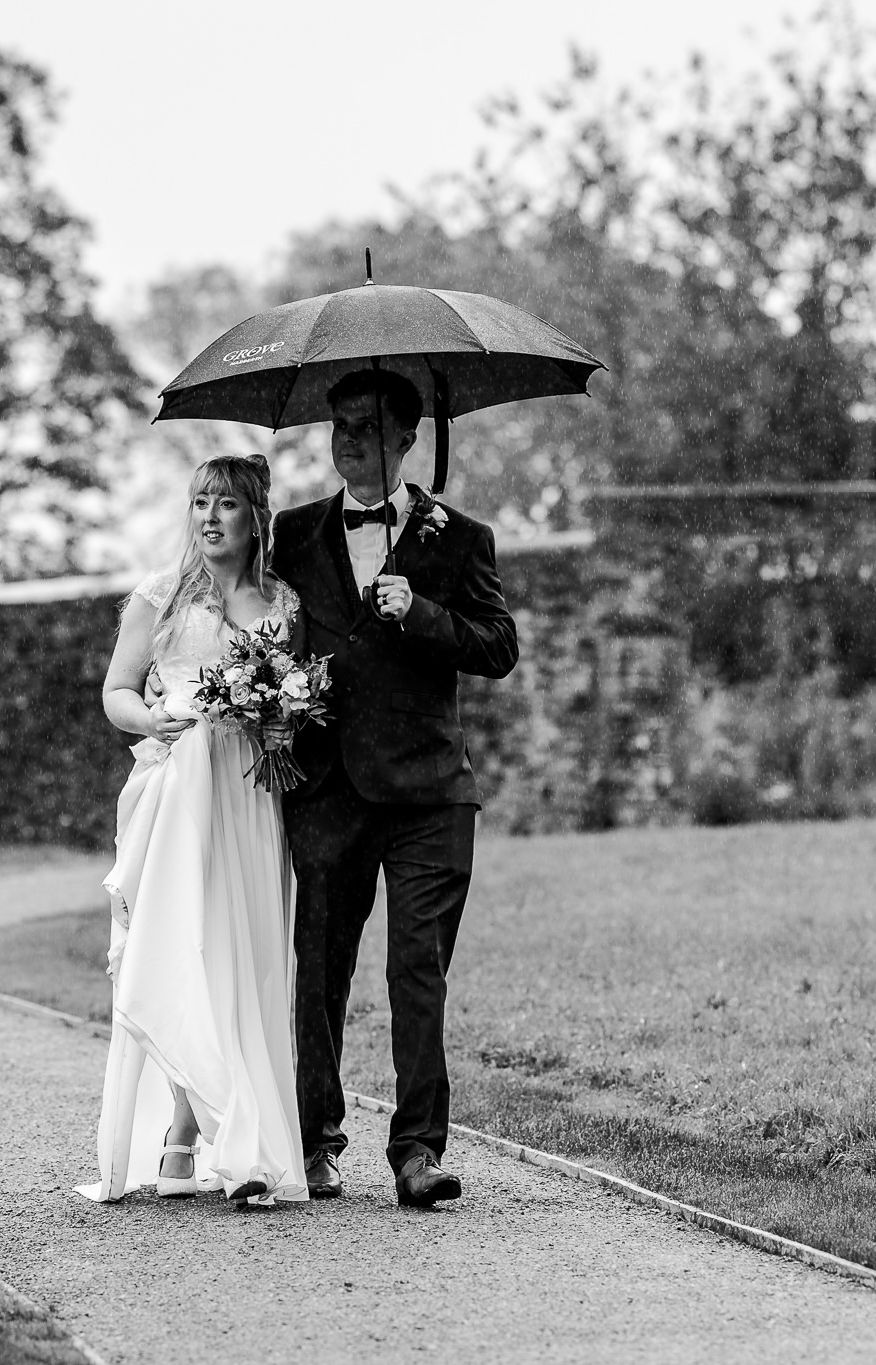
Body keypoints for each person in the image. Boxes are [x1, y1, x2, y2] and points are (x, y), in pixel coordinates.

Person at [268, 369, 518, 1207]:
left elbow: (497, 646)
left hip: (429, 793)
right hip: (327, 789)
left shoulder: (460, 537)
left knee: (418, 973)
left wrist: (420, 613)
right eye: (339, 425)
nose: (346, 439)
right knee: (319, 973)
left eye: (367, 426)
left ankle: (418, 1152)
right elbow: (260, 631)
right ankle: (313, 1141)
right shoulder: (292, 534)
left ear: (407, 438)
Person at [78, 453, 309, 1207]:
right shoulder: (161, 596)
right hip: (177, 789)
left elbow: (291, 700)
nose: (210, 517)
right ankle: (208, 1136)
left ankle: (195, 1138)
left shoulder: (283, 603)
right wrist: (154, 718)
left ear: (256, 518)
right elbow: (116, 690)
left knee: (239, 958)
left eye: (228, 505)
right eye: (200, 502)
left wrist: (278, 713)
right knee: (182, 950)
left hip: (248, 797)